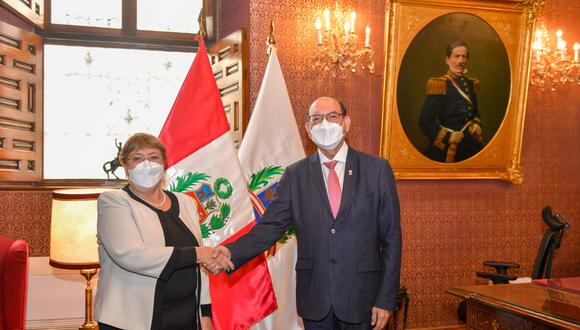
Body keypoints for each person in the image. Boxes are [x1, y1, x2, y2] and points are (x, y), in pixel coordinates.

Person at [214, 97, 402, 330]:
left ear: (346, 123)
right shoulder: (295, 175)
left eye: (332, 116)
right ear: (307, 128)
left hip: (362, 298)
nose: (325, 123)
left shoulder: (377, 169)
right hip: (315, 300)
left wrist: (385, 299)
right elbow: (269, 227)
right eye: (316, 118)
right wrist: (230, 252)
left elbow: (392, 240)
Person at [94, 133, 232, 330]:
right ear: (125, 166)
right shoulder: (114, 202)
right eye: (137, 158)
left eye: (153, 157)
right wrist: (198, 254)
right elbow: (130, 254)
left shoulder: (186, 202)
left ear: (164, 163)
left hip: (186, 316)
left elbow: (199, 266)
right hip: (132, 320)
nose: (146, 165)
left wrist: (205, 313)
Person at [419, 39, 484, 163]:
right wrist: (448, 137)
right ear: (447, 60)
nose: (460, 61)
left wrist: (477, 124)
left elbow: (475, 112)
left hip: (470, 145)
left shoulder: (471, 84)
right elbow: (424, 120)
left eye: (463, 57)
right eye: (456, 56)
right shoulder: (440, 85)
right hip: (448, 147)